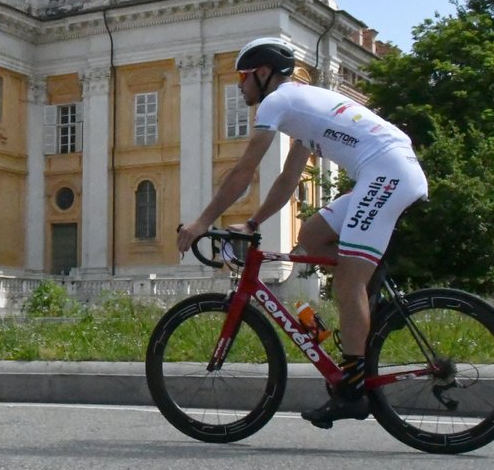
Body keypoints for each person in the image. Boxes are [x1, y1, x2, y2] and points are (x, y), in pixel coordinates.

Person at [176, 37, 427, 428]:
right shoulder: (303, 110)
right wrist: (254, 223)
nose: (240, 86)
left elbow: (244, 172)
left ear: (262, 73)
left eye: (242, 77)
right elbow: (287, 180)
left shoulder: (277, 103)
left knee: (348, 277)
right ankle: (363, 321)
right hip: (386, 171)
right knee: (310, 237)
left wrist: (201, 222)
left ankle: (353, 389)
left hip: (387, 173)